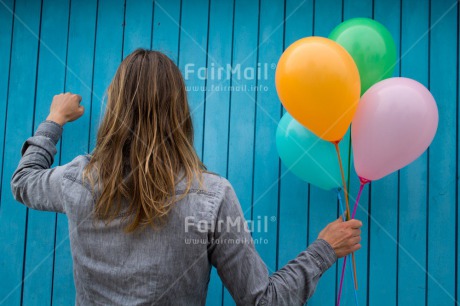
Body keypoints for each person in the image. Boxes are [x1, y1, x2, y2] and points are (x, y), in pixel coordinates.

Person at [11, 49, 362, 306]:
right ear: (179, 112)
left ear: (114, 107)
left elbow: (23, 182)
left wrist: (54, 118)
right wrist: (324, 250)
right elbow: (263, 301)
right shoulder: (211, 196)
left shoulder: (77, 179)